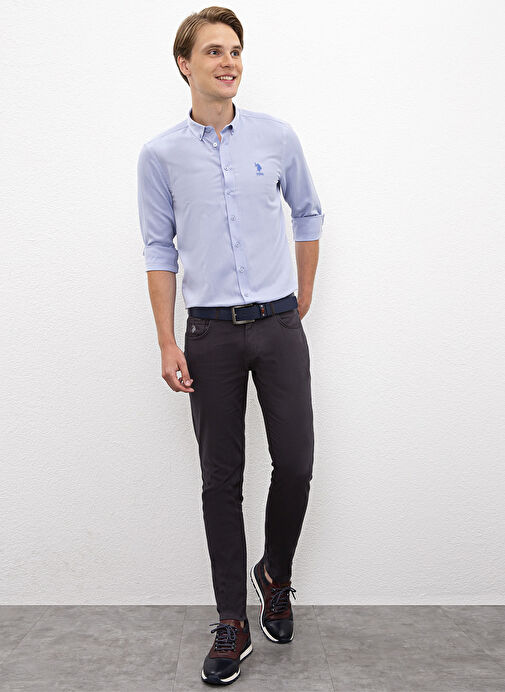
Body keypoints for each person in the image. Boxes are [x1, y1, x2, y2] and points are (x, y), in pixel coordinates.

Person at [137, 6, 324, 686]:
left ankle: (274, 573)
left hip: (277, 327)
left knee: (296, 464)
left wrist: (302, 294)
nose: (229, 61)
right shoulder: (160, 156)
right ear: (185, 64)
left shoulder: (276, 137)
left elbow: (308, 210)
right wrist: (167, 340)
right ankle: (231, 620)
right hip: (209, 334)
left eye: (235, 50)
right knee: (221, 480)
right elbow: (159, 250)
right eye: (214, 50)